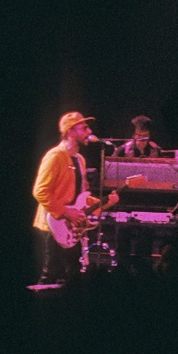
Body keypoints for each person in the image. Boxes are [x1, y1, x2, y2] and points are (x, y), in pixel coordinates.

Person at [32, 111, 117, 285]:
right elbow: (40, 191)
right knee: (51, 275)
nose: (89, 132)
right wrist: (65, 212)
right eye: (84, 128)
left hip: (72, 227)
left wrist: (105, 203)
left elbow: (82, 197)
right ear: (71, 131)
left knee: (72, 277)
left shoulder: (80, 159)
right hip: (53, 224)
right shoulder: (55, 156)